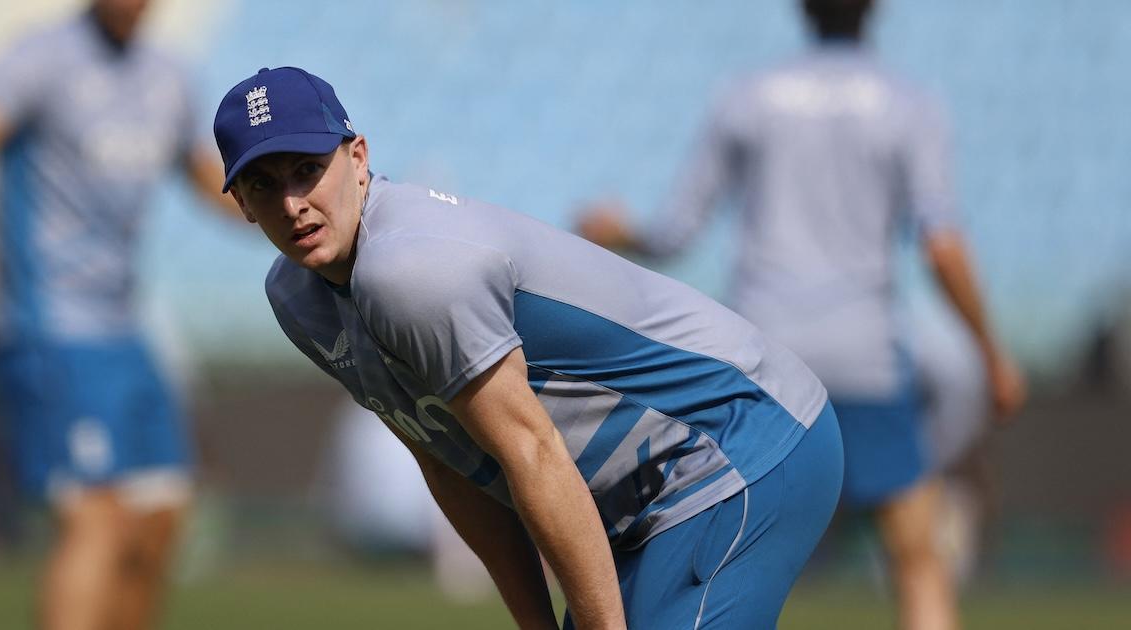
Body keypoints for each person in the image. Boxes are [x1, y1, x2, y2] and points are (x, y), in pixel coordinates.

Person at [213, 65, 844, 629]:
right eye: (264, 184)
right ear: (241, 204)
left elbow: (534, 454)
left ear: (358, 157)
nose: (293, 203)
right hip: (639, 495)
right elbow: (448, 464)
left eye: (307, 170)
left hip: (738, 439)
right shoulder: (298, 299)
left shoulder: (410, 272)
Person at [576, 1, 1026, 629]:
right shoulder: (909, 103)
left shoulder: (746, 97)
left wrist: (618, 229)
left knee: (731, 558)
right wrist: (991, 353)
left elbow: (677, 230)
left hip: (764, 358)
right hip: (864, 354)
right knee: (917, 558)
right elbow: (942, 244)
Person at [0, 1, 238, 628]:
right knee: (96, 517)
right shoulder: (41, 58)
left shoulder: (167, 75)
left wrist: (286, 216)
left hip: (127, 326)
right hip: (52, 326)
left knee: (159, 516)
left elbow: (204, 176)